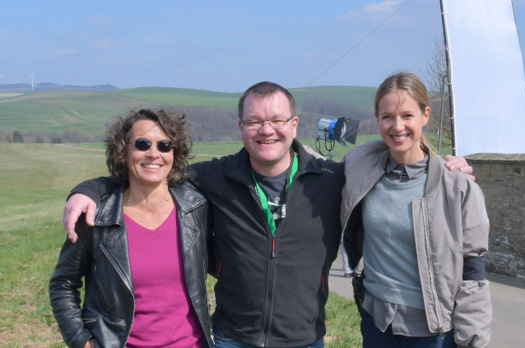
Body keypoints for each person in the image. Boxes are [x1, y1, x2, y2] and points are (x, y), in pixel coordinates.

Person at [61, 81, 473, 348]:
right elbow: (150, 171)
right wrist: (89, 189)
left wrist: (438, 163)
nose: (267, 130)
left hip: (304, 338)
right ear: (241, 126)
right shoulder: (213, 178)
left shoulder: (333, 178)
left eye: (277, 120)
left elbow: (392, 160)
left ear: (294, 124)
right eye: (255, 121)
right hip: (230, 338)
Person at [341, 72, 492, 348]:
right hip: (376, 325)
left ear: (425, 115)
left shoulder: (457, 187)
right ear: (377, 119)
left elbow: (473, 270)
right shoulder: (361, 166)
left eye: (407, 115)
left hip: (432, 333)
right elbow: (319, 174)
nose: (397, 126)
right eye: (388, 116)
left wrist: (472, 339)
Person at [49, 109, 213, 348]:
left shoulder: (196, 208)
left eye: (165, 145)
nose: (153, 154)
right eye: (142, 144)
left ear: (174, 153)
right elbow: (63, 283)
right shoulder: (97, 217)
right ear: (123, 151)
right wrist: (82, 342)